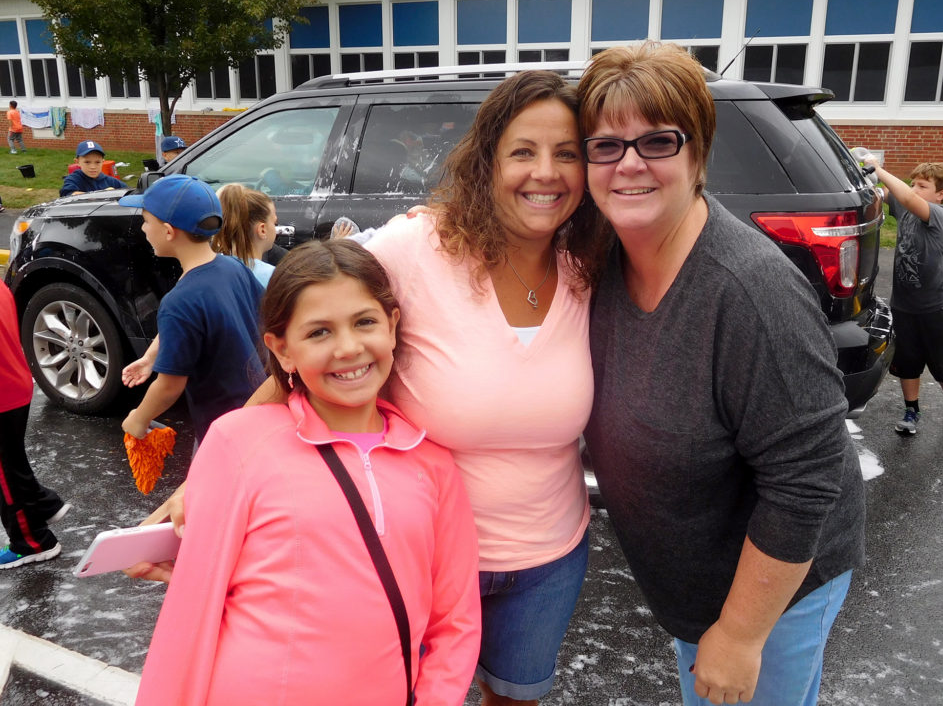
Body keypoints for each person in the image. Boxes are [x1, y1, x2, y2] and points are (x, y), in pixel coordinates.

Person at [135, 70, 609, 706]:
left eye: (568, 153)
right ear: (486, 161)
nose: (545, 172)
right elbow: (317, 332)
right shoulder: (418, 247)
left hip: (545, 558)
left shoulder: (591, 267)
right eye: (522, 151)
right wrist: (207, 486)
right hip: (404, 548)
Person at [578, 41, 865, 706]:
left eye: (658, 142)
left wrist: (739, 635)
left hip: (776, 590)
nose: (628, 165)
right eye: (605, 145)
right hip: (700, 580)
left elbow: (807, 474)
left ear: (699, 153)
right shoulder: (605, 255)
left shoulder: (750, 292)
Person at [135, 239, 481, 706]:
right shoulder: (238, 442)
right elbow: (193, 611)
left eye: (365, 322)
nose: (349, 348)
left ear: (393, 325)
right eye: (319, 332)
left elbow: (455, 619)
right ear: (282, 350)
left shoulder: (432, 463)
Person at [118, 174, 265, 448]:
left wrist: (139, 419)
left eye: (146, 221)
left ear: (169, 231)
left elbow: (169, 386)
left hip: (223, 432)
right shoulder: (232, 268)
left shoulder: (179, 301)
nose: (143, 229)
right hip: (259, 409)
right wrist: (151, 358)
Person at [864, 157, 943, 437]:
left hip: (938, 305)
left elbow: (908, 199)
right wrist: (862, 173)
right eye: (912, 183)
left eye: (922, 185)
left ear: (941, 194)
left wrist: (880, 169)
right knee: (908, 362)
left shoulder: (939, 215)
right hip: (904, 305)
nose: (914, 188)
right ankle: (911, 410)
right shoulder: (907, 203)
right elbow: (882, 193)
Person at [0, 281, 71, 569]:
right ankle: (44, 503)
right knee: (11, 461)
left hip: (2, 395)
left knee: (5, 477)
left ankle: (33, 542)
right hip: (15, 382)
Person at [212, 183, 278, 287]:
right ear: (262, 230)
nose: (275, 228)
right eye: (274, 223)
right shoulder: (274, 278)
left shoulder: (211, 270)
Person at [59, 140, 127, 197]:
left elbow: (130, 192)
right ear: (77, 162)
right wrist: (104, 194)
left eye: (97, 162)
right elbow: (68, 195)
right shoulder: (73, 179)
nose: (93, 167)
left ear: (102, 162)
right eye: (87, 162)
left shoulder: (111, 181)